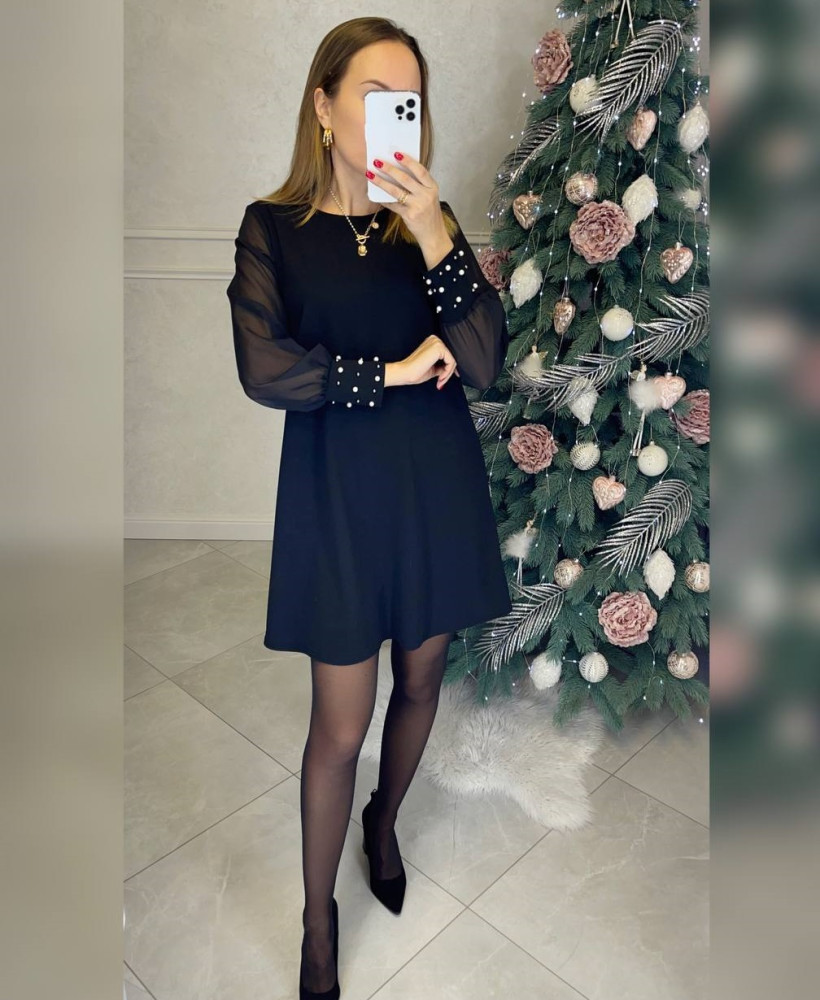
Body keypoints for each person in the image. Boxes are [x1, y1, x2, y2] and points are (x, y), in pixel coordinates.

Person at [226, 16, 512, 1000]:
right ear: (323, 105)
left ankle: (382, 822)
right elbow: (264, 369)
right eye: (376, 96)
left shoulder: (429, 224)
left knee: (423, 676)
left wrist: (434, 233)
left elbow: (485, 361)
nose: (400, 116)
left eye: (411, 101)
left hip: (433, 484)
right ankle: (318, 926)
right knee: (339, 726)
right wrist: (388, 371)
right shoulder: (273, 229)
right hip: (339, 495)